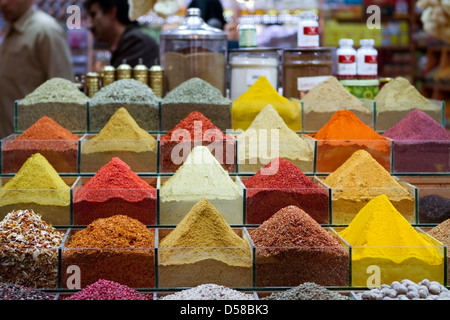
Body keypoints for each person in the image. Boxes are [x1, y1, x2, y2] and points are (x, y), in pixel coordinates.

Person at [0, 0, 74, 139]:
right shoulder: (10, 29)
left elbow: (64, 93)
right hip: (10, 141)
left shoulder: (46, 30)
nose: (3, 3)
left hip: (34, 145)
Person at [84, 0, 159, 68]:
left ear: (111, 12)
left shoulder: (136, 43)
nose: (90, 25)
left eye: (93, 15)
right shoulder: (126, 44)